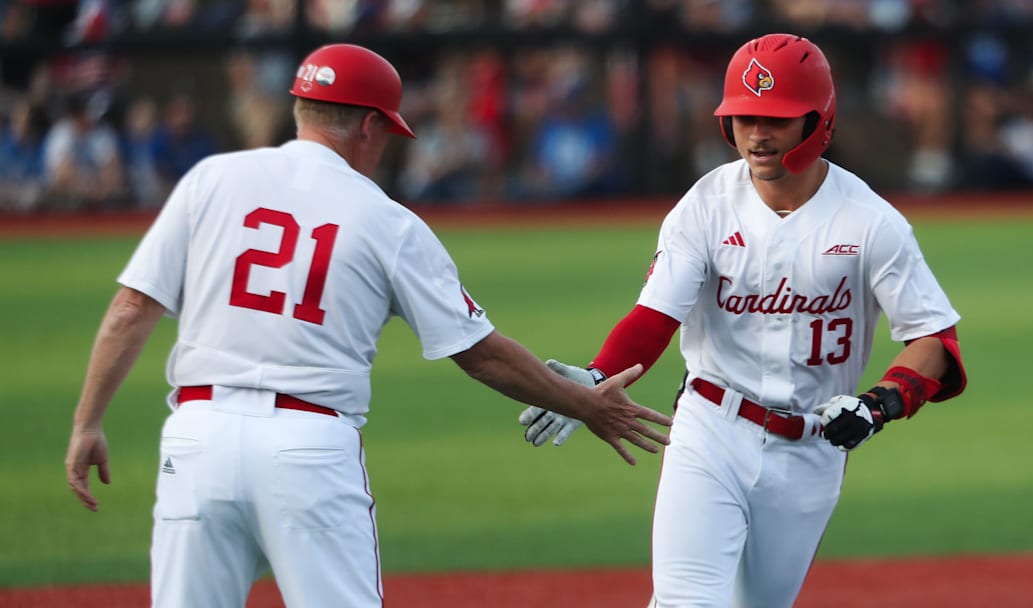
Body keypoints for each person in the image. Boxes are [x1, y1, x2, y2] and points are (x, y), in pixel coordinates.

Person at [63, 43, 672, 608]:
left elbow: (128, 310)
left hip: (196, 437)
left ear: (302, 108)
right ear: (369, 124)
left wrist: (88, 420)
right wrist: (586, 403)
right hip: (307, 448)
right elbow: (482, 356)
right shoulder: (386, 220)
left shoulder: (210, 179)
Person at [517, 33, 967, 608]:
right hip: (711, 426)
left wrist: (877, 404)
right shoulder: (705, 205)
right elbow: (655, 315)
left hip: (812, 449)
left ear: (818, 120)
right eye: (744, 116)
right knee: (688, 601)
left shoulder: (871, 222)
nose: (757, 133)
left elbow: (935, 340)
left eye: (776, 119)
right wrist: (597, 373)